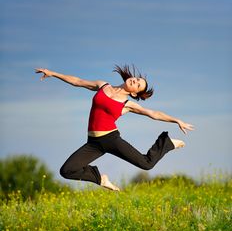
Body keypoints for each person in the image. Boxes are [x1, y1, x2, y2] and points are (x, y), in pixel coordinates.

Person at [35, 65, 194, 191]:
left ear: (134, 93)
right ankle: (99, 178)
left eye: (138, 85)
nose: (135, 81)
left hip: (111, 139)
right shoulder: (102, 85)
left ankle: (166, 143)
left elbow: (153, 113)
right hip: (93, 143)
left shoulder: (127, 104)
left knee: (146, 164)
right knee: (67, 170)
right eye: (137, 79)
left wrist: (176, 120)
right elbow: (77, 81)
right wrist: (53, 73)